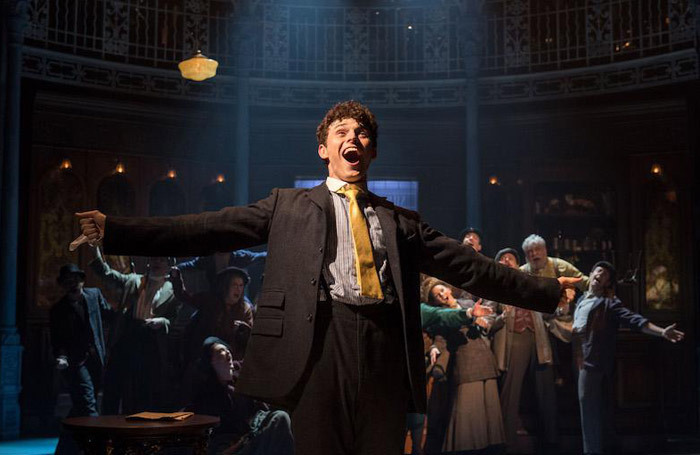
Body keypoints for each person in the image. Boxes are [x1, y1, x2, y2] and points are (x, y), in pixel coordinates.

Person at [76, 100, 578, 455]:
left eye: (360, 133)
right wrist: (117, 230)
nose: (352, 139)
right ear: (323, 148)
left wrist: (547, 290)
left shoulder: (400, 220)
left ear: (371, 151)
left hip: (383, 345)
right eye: (341, 132)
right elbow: (208, 228)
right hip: (317, 344)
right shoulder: (287, 205)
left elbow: (472, 267)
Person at [568, 261, 684, 455]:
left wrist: (662, 332)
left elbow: (635, 320)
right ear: (591, 273)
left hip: (592, 358)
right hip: (577, 353)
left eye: (605, 275)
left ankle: (592, 451)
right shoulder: (581, 300)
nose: (600, 275)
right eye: (599, 271)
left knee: (588, 411)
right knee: (590, 408)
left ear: (607, 283)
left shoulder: (609, 303)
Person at [89, 247, 180, 414]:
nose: (156, 263)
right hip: (127, 335)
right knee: (114, 384)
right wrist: (95, 252)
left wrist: (163, 321)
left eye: (161, 260)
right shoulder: (134, 280)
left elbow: (175, 320)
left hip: (150, 341)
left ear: (169, 265)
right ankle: (107, 427)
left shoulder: (173, 290)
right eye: (154, 259)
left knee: (140, 389)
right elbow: (107, 274)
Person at [491, 247, 564, 454]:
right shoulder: (494, 285)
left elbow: (546, 308)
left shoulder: (529, 281)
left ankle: (551, 440)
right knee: (511, 391)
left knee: (546, 391)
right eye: (503, 258)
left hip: (538, 337)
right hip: (514, 338)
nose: (507, 260)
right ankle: (506, 443)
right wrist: (498, 319)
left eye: (511, 258)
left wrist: (559, 307)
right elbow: (488, 313)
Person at [425, 280, 505, 454]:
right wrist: (434, 348)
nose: (442, 294)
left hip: (484, 357)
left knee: (489, 410)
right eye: (437, 296)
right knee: (467, 413)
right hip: (465, 361)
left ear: (448, 288)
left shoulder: (468, 303)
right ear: (436, 302)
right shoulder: (442, 314)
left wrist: (484, 322)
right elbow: (439, 338)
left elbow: (488, 319)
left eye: (442, 290)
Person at [189, 337, 294, 455]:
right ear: (211, 363)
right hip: (229, 447)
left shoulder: (238, 384)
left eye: (228, 350)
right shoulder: (207, 396)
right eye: (220, 352)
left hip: (247, 439)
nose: (227, 352)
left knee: (280, 418)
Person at [49, 264, 113, 454]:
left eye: (76, 280)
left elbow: (109, 314)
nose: (73, 284)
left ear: (82, 281)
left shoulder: (94, 295)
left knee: (79, 406)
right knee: (88, 403)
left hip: (97, 360)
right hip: (76, 363)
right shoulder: (58, 310)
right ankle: (99, 448)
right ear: (63, 285)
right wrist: (61, 358)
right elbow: (57, 341)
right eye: (68, 281)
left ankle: (64, 448)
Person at [170, 266, 255, 366]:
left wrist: (243, 329)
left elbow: (249, 336)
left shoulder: (245, 309)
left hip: (231, 358)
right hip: (205, 355)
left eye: (241, 285)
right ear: (225, 286)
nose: (238, 289)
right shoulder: (209, 300)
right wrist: (176, 278)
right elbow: (183, 296)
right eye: (234, 285)